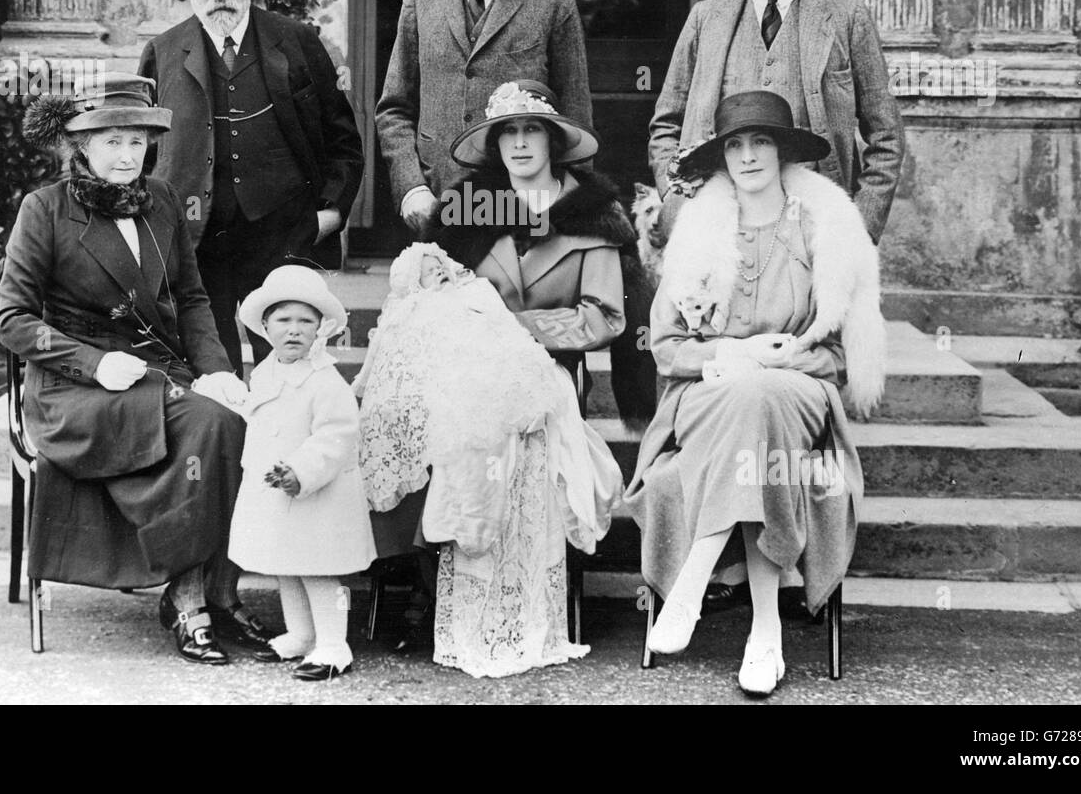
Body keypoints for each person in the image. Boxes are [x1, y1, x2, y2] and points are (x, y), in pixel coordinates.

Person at [0, 73, 279, 665]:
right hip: (74, 387)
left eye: (136, 142)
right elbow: (13, 320)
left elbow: (193, 297)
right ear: (81, 147)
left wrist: (217, 370)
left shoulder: (164, 201)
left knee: (229, 415)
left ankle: (216, 592)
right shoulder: (44, 209)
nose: (127, 156)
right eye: (111, 143)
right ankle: (191, 597)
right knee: (206, 425)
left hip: (156, 370)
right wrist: (95, 365)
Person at [624, 90, 883, 697]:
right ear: (721, 159)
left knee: (761, 398)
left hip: (798, 395)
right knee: (746, 396)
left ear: (783, 151)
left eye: (761, 141)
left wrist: (794, 354)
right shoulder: (699, 235)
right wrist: (734, 354)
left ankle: (695, 574)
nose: (747, 156)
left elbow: (841, 356)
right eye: (735, 145)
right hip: (709, 395)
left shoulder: (826, 231)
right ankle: (765, 630)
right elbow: (666, 349)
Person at [421, 80, 626, 678]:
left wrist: (520, 327)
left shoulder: (592, 214)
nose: (518, 143)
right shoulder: (468, 210)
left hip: (549, 372)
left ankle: (525, 602)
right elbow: (437, 290)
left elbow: (605, 315)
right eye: (506, 132)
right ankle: (460, 600)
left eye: (530, 129)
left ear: (554, 140)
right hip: (472, 369)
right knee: (465, 422)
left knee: (516, 427)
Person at [139, 0, 364, 372]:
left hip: (282, 239)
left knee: (288, 372)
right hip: (199, 243)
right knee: (212, 372)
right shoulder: (162, 53)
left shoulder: (296, 41)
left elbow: (343, 140)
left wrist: (328, 213)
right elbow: (144, 157)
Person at [648, 0, 904, 243]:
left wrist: (858, 227)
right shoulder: (707, 19)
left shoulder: (847, 19)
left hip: (815, 227)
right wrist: (678, 199)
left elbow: (887, 136)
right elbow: (665, 125)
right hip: (721, 229)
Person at [376, 0, 592, 235]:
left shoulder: (552, 1)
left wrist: (568, 213)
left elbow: (575, 117)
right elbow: (394, 110)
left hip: (523, 210)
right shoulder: (420, 1)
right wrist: (412, 189)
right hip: (439, 203)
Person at [354, 242, 563, 555]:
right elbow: (388, 356)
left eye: (439, 265)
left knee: (476, 429)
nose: (437, 272)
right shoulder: (411, 307)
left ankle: (462, 527)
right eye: (427, 272)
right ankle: (427, 546)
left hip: (474, 378)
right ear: (413, 282)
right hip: (428, 386)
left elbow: (497, 329)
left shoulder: (472, 291)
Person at [228, 266, 375, 682]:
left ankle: (333, 646)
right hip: (275, 493)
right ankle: (301, 633)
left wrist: (302, 470)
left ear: (320, 328)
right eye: (283, 320)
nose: (294, 331)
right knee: (285, 566)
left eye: (305, 321)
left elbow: (337, 435)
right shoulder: (265, 372)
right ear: (266, 326)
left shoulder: (325, 380)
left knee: (319, 570)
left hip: (317, 494)